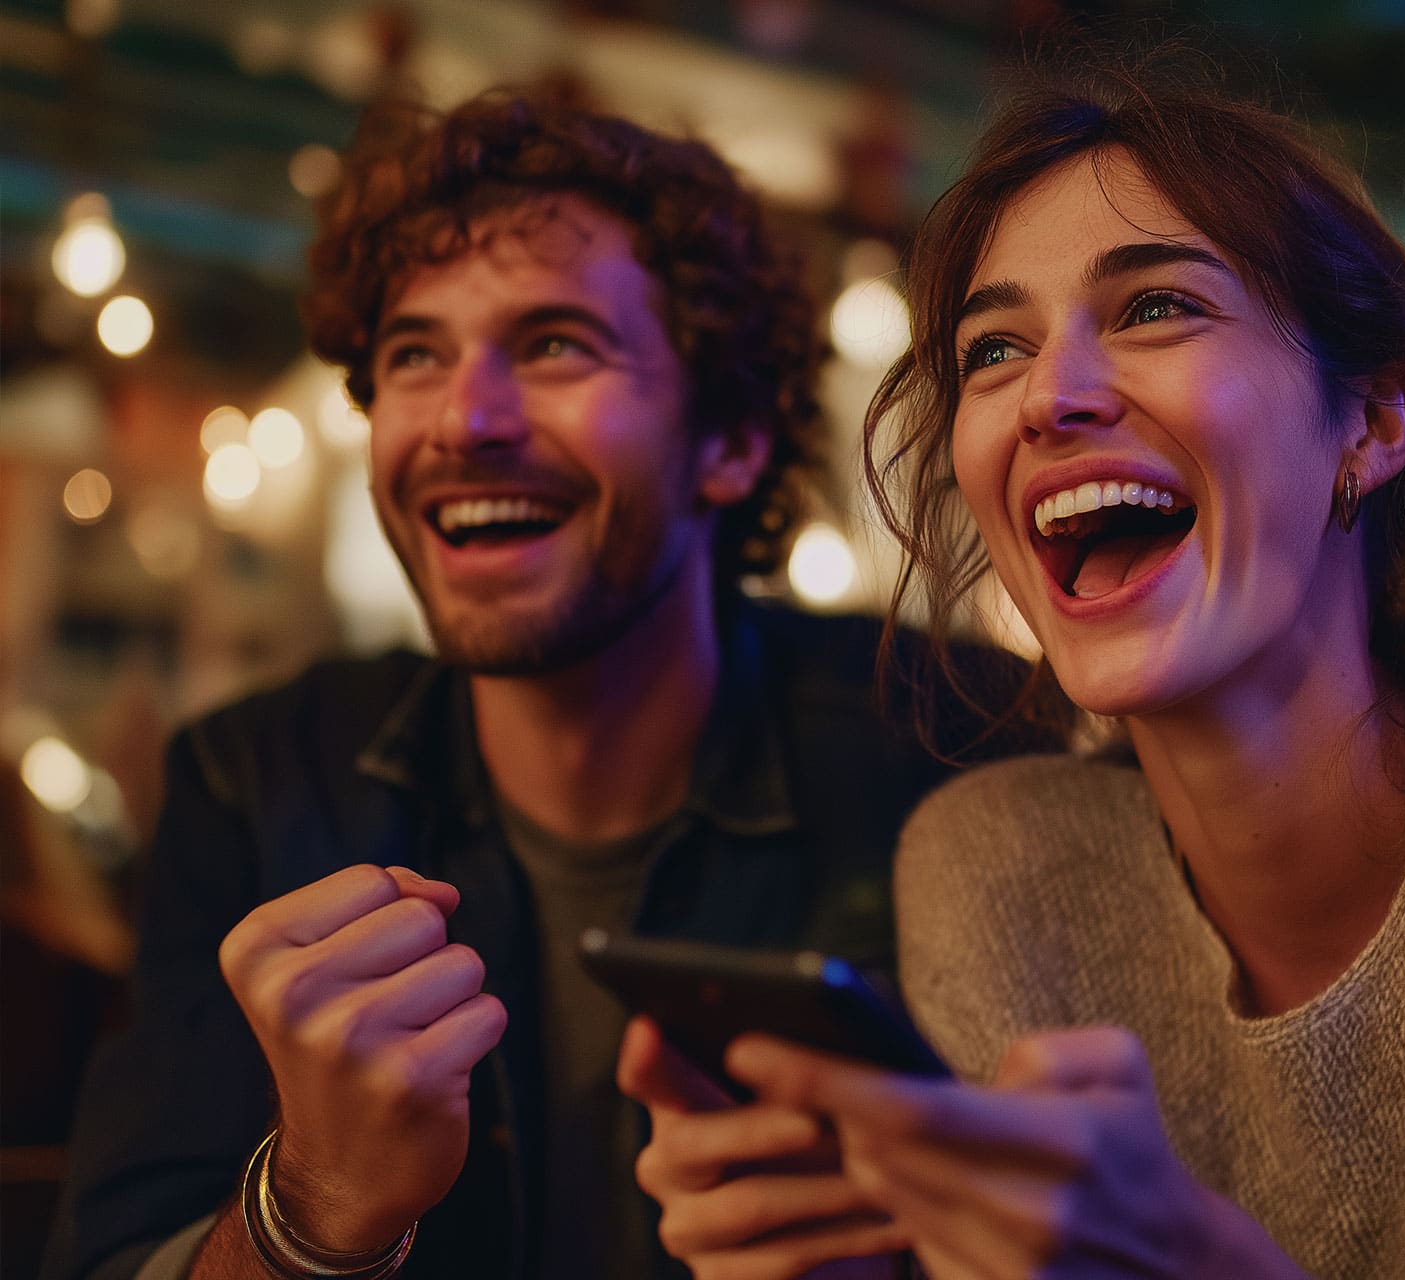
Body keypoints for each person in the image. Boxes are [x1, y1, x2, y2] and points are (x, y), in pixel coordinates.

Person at [619, 63, 1405, 1278]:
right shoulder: (994, 869)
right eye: (992, 351)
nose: (1049, 396)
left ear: (1372, 422)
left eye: (1157, 308)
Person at [42, 90, 1040, 1280]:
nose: (466, 417)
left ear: (728, 441)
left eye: (556, 343)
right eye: (415, 354)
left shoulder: (965, 741)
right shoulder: (257, 783)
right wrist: (315, 1205)